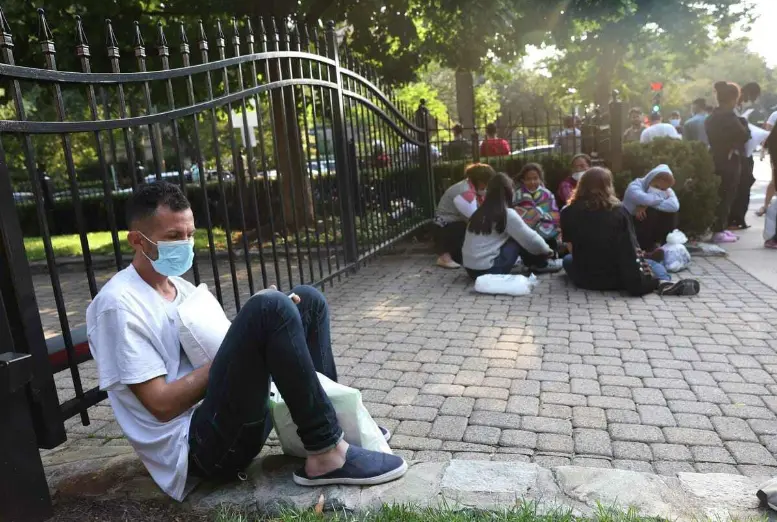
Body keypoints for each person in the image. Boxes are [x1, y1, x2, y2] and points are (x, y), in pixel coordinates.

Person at [86, 182, 407, 502]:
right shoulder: (118, 305)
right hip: (199, 450)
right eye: (173, 236)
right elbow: (161, 405)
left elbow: (223, 354)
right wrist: (242, 343)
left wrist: (258, 332)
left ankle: (328, 427)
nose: (185, 244)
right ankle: (326, 453)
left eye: (190, 234)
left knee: (306, 302)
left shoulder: (178, 288)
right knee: (269, 309)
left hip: (225, 417)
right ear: (136, 241)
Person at [560, 167, 700, 297]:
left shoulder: (567, 212)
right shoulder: (619, 211)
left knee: (567, 260)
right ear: (608, 186)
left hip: (586, 278)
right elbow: (631, 247)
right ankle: (663, 282)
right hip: (618, 276)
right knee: (652, 264)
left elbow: (571, 248)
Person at [462, 172, 560, 279]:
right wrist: (547, 251)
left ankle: (532, 263)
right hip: (489, 270)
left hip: (471, 270)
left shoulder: (478, 213)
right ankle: (541, 265)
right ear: (508, 192)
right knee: (519, 238)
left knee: (515, 235)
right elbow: (531, 239)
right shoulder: (506, 214)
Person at [705, 81, 751, 243]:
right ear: (733, 99)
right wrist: (745, 124)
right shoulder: (730, 117)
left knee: (721, 193)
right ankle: (718, 230)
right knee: (727, 194)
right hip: (729, 159)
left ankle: (721, 228)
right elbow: (744, 135)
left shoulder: (712, 116)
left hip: (716, 157)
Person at [433, 163, 495, 268]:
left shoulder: (471, 188)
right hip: (447, 228)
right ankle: (444, 256)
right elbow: (475, 218)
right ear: (479, 181)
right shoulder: (464, 193)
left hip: (454, 225)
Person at [622, 164, 680, 251]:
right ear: (650, 180)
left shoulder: (667, 189)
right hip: (630, 224)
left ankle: (665, 246)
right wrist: (660, 198)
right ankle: (645, 248)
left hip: (649, 226)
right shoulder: (634, 187)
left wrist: (644, 205)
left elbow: (674, 206)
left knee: (671, 213)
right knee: (651, 211)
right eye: (656, 187)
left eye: (663, 190)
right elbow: (646, 199)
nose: (659, 191)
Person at [512, 163, 561, 261]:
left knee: (550, 233)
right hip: (525, 229)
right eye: (528, 179)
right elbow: (516, 215)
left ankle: (549, 256)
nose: (532, 182)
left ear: (540, 179)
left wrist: (540, 215)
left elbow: (555, 214)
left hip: (546, 227)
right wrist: (536, 215)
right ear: (523, 180)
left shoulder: (547, 194)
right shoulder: (517, 195)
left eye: (535, 178)